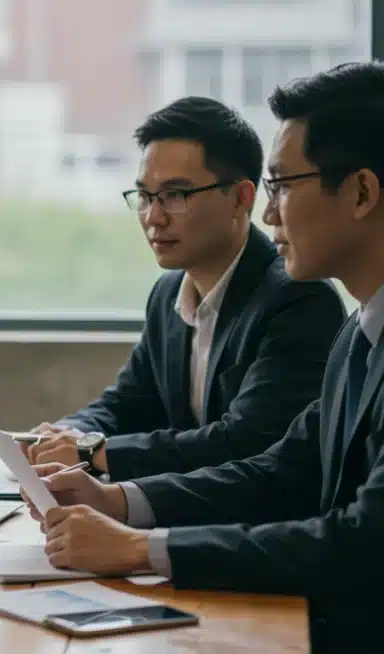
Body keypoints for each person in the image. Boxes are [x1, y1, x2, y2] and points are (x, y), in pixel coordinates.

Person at [26, 62, 384, 653]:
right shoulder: (359, 334)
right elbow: (279, 469)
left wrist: (140, 548)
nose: (270, 213)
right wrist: (114, 500)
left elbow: (361, 545)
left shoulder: (306, 306)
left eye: (283, 185)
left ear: (362, 193)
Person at [21, 96, 345, 481]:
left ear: (241, 198)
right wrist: (66, 432)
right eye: (145, 196)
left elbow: (245, 441)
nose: (153, 217)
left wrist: (95, 452)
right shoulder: (167, 294)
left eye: (175, 196)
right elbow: (127, 403)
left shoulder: (299, 299)